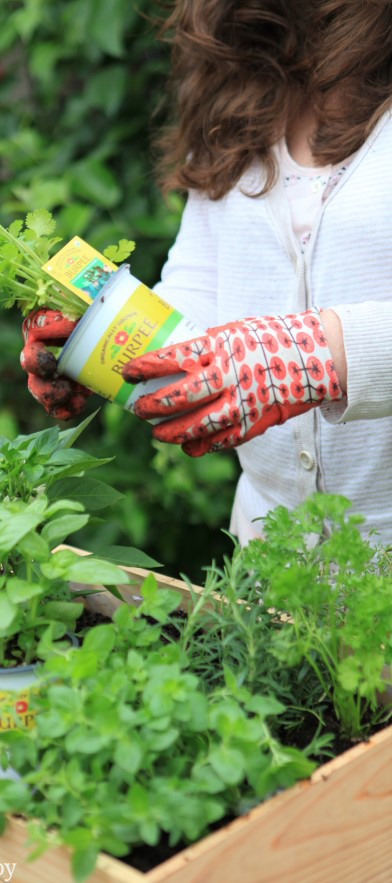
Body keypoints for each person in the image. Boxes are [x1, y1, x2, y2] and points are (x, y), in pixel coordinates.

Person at [20, 1, 392, 546]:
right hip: (270, 558)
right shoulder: (242, 87)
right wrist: (104, 341)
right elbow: (202, 291)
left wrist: (325, 352)